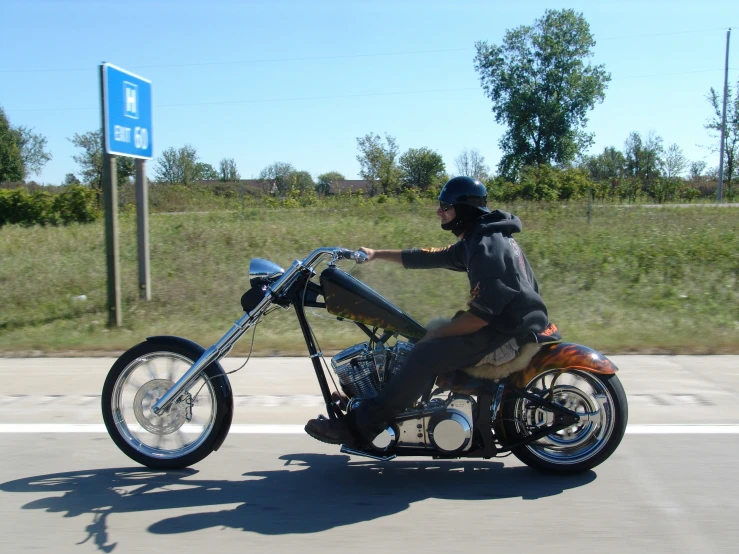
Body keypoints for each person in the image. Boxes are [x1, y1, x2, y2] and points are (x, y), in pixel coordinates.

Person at [304, 176, 557, 446]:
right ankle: (373, 402)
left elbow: (481, 317)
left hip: (508, 333)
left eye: (446, 206)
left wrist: (432, 337)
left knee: (424, 354)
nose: (439, 211)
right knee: (417, 338)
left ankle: (361, 428)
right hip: (503, 324)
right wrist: (376, 253)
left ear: (465, 210)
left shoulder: (486, 248)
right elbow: (429, 256)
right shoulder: (480, 238)